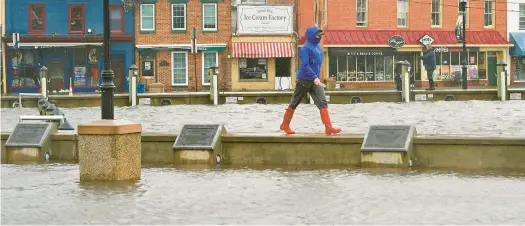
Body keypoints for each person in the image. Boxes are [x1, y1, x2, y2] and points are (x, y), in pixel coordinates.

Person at [279, 26, 342, 136]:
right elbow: (305, 65)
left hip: (315, 80)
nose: (320, 37)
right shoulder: (305, 48)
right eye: (318, 35)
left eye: (321, 35)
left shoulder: (319, 48)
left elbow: (317, 65)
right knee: (294, 102)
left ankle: (328, 127)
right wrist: (314, 77)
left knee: (323, 102)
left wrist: (317, 78)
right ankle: (285, 124)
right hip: (304, 79)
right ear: (312, 35)